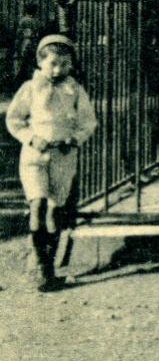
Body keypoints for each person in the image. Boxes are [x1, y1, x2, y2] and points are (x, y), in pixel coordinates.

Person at [5, 34, 97, 291]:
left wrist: (75, 139)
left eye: (65, 64)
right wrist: (31, 138)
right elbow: (14, 120)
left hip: (64, 156)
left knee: (55, 209)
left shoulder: (75, 89)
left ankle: (51, 266)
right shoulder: (30, 88)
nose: (58, 70)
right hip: (35, 155)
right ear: (40, 62)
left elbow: (88, 122)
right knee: (37, 203)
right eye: (53, 63)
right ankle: (42, 269)